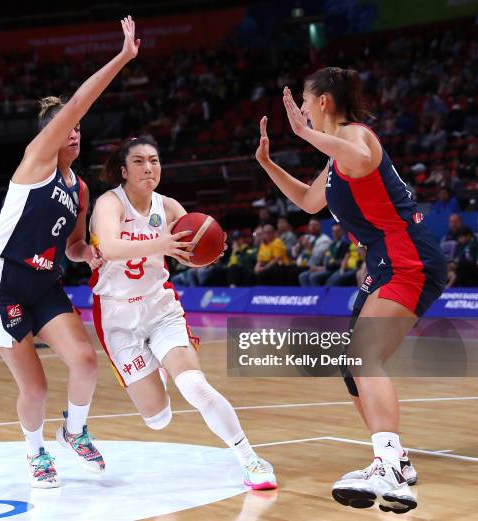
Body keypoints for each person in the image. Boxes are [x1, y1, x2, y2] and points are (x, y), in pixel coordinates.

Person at [256, 66, 446, 513]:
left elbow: (360, 159)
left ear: (322, 101)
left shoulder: (357, 137)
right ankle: (393, 457)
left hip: (407, 258)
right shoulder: (333, 159)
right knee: (352, 366)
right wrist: (267, 163)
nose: (301, 110)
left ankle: (388, 465)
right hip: (384, 263)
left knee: (364, 355)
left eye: (305, 102)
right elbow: (307, 201)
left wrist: (304, 134)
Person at [0, 17, 140, 488]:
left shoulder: (80, 188)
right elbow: (82, 98)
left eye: (79, 128)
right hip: (1, 279)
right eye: (68, 126)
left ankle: (75, 430)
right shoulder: (38, 158)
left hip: (43, 280)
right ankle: (36, 452)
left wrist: (90, 255)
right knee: (36, 386)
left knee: (85, 361)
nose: (75, 132)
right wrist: (124, 57)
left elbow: (74, 244)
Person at [89, 135, 277, 490]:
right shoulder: (108, 204)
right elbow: (111, 246)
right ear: (124, 170)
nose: (149, 168)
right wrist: (161, 243)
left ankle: (250, 459)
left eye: (155, 161)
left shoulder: (169, 206)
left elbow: (196, 235)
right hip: (117, 318)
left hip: (160, 308)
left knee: (194, 384)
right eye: (140, 161)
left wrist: (209, 247)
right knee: (157, 419)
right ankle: (154, 374)